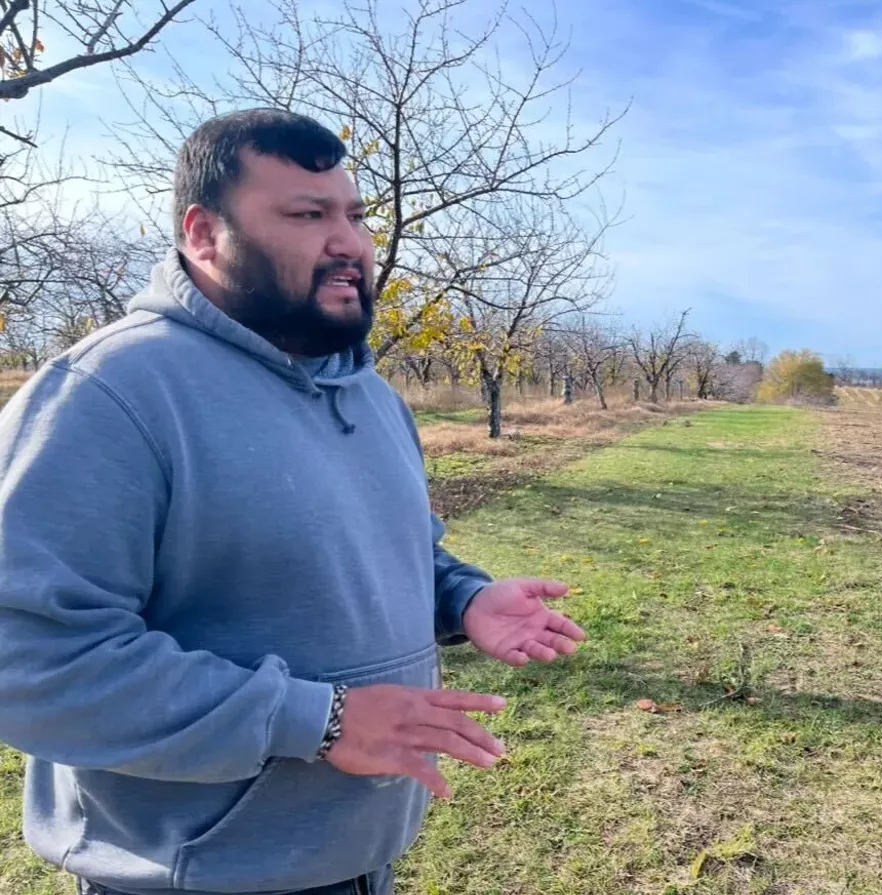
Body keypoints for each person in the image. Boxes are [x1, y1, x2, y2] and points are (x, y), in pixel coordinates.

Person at [0, 108, 587, 895]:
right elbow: (29, 664)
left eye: (353, 215)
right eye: (308, 215)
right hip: (196, 876)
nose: (350, 242)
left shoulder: (371, 394)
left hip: (357, 858)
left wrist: (462, 597)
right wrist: (321, 720)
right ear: (205, 235)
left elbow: (392, 546)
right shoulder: (111, 395)